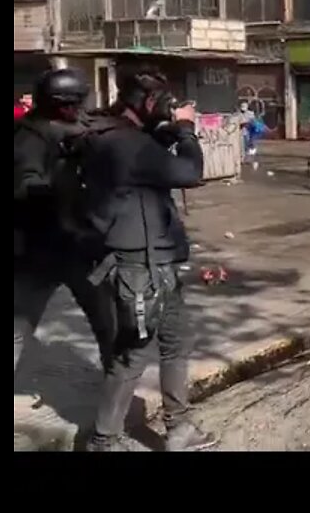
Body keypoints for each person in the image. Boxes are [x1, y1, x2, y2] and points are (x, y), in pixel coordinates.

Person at [82, 66, 217, 452]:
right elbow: (190, 172)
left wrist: (167, 131)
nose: (167, 109)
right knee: (133, 356)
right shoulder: (130, 146)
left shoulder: (110, 135)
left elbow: (145, 151)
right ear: (145, 102)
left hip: (151, 263)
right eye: (161, 101)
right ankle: (103, 441)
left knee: (176, 342)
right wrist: (187, 130)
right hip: (141, 268)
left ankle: (179, 428)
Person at [14, 69, 113, 377]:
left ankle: (117, 388)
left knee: (108, 323)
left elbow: (99, 127)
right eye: (74, 105)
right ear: (61, 104)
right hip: (40, 251)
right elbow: (24, 186)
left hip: (78, 247)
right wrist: (58, 181)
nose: (78, 111)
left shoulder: (73, 127)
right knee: (18, 326)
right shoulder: (28, 137)